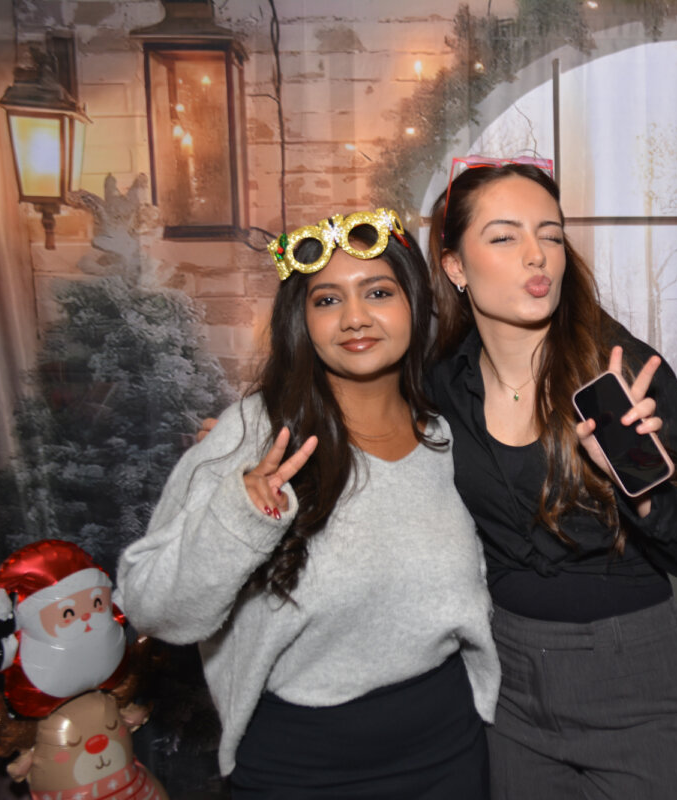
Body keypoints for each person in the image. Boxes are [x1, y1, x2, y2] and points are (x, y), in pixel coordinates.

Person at [117, 208, 499, 798]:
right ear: (302, 319)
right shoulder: (255, 434)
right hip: (299, 770)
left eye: (378, 292)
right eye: (327, 300)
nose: (354, 317)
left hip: (449, 756)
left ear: (414, 303)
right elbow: (153, 608)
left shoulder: (448, 438)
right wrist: (239, 515)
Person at [426, 158, 677, 799]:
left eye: (552, 235)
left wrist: (637, 476)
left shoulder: (622, 374)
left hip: (633, 677)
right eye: (504, 236)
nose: (538, 255)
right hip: (506, 679)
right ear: (455, 266)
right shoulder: (441, 382)